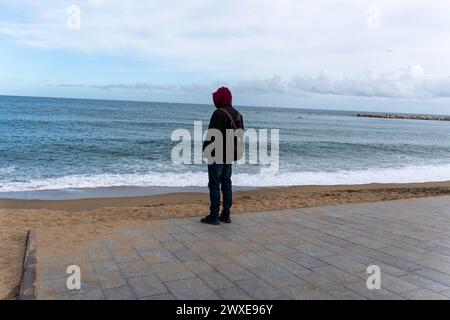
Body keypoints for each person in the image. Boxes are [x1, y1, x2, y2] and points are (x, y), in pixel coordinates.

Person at [201, 87, 244, 225]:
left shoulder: (218, 114)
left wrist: (205, 150)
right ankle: (226, 214)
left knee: (214, 184)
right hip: (230, 154)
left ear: (221, 98)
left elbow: (211, 135)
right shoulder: (238, 114)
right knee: (227, 183)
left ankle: (213, 216)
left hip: (217, 154)